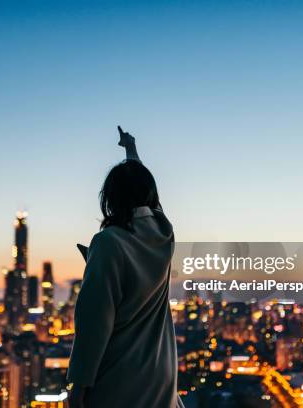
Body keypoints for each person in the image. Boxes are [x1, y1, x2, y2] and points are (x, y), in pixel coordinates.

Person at [67, 127, 184, 408]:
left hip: (120, 377)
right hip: (160, 374)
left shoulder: (109, 243)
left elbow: (95, 321)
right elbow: (149, 199)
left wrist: (79, 385)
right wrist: (131, 150)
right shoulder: (163, 235)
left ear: (111, 198)